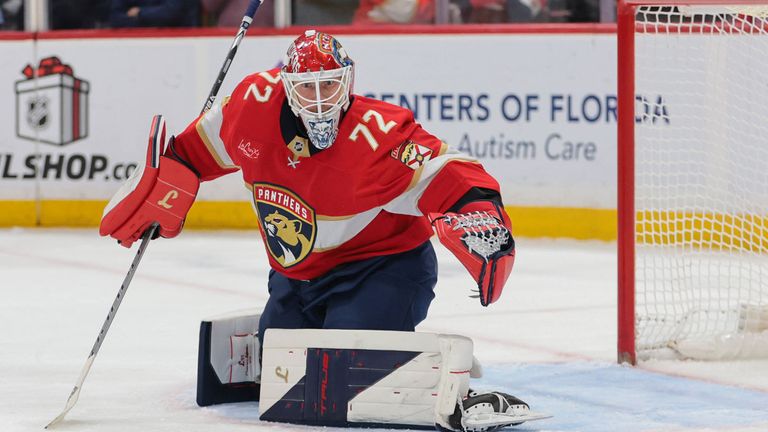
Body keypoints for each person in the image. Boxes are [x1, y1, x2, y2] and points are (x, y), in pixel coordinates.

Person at [99, 30, 524, 430]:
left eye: (329, 85)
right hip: (297, 276)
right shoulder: (251, 107)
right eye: (307, 87)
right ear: (286, 85)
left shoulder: (377, 135)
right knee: (284, 372)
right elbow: (197, 151)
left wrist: (478, 216)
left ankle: (448, 378)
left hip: (382, 270)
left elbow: (448, 172)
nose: (319, 100)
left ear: (348, 81)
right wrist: (168, 181)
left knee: (338, 376)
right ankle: (381, 348)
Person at [109, 0, 200, 28]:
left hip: (179, 44)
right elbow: (114, 17)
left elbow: (171, 13)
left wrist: (140, 14)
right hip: (136, 44)